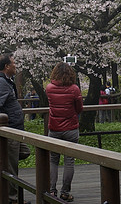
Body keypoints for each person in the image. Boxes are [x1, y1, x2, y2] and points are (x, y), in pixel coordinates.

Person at [0, 53, 29, 204]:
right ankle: (13, 199)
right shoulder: (0, 82)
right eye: (13, 63)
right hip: (9, 128)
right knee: (11, 167)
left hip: (15, 128)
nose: (15, 66)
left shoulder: (6, 81)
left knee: (24, 152)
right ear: (6, 67)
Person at [45, 62, 83, 202]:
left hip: (54, 128)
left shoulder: (49, 88)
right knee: (69, 161)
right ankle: (65, 192)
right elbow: (79, 108)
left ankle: (52, 191)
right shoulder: (74, 89)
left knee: (53, 160)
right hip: (71, 129)